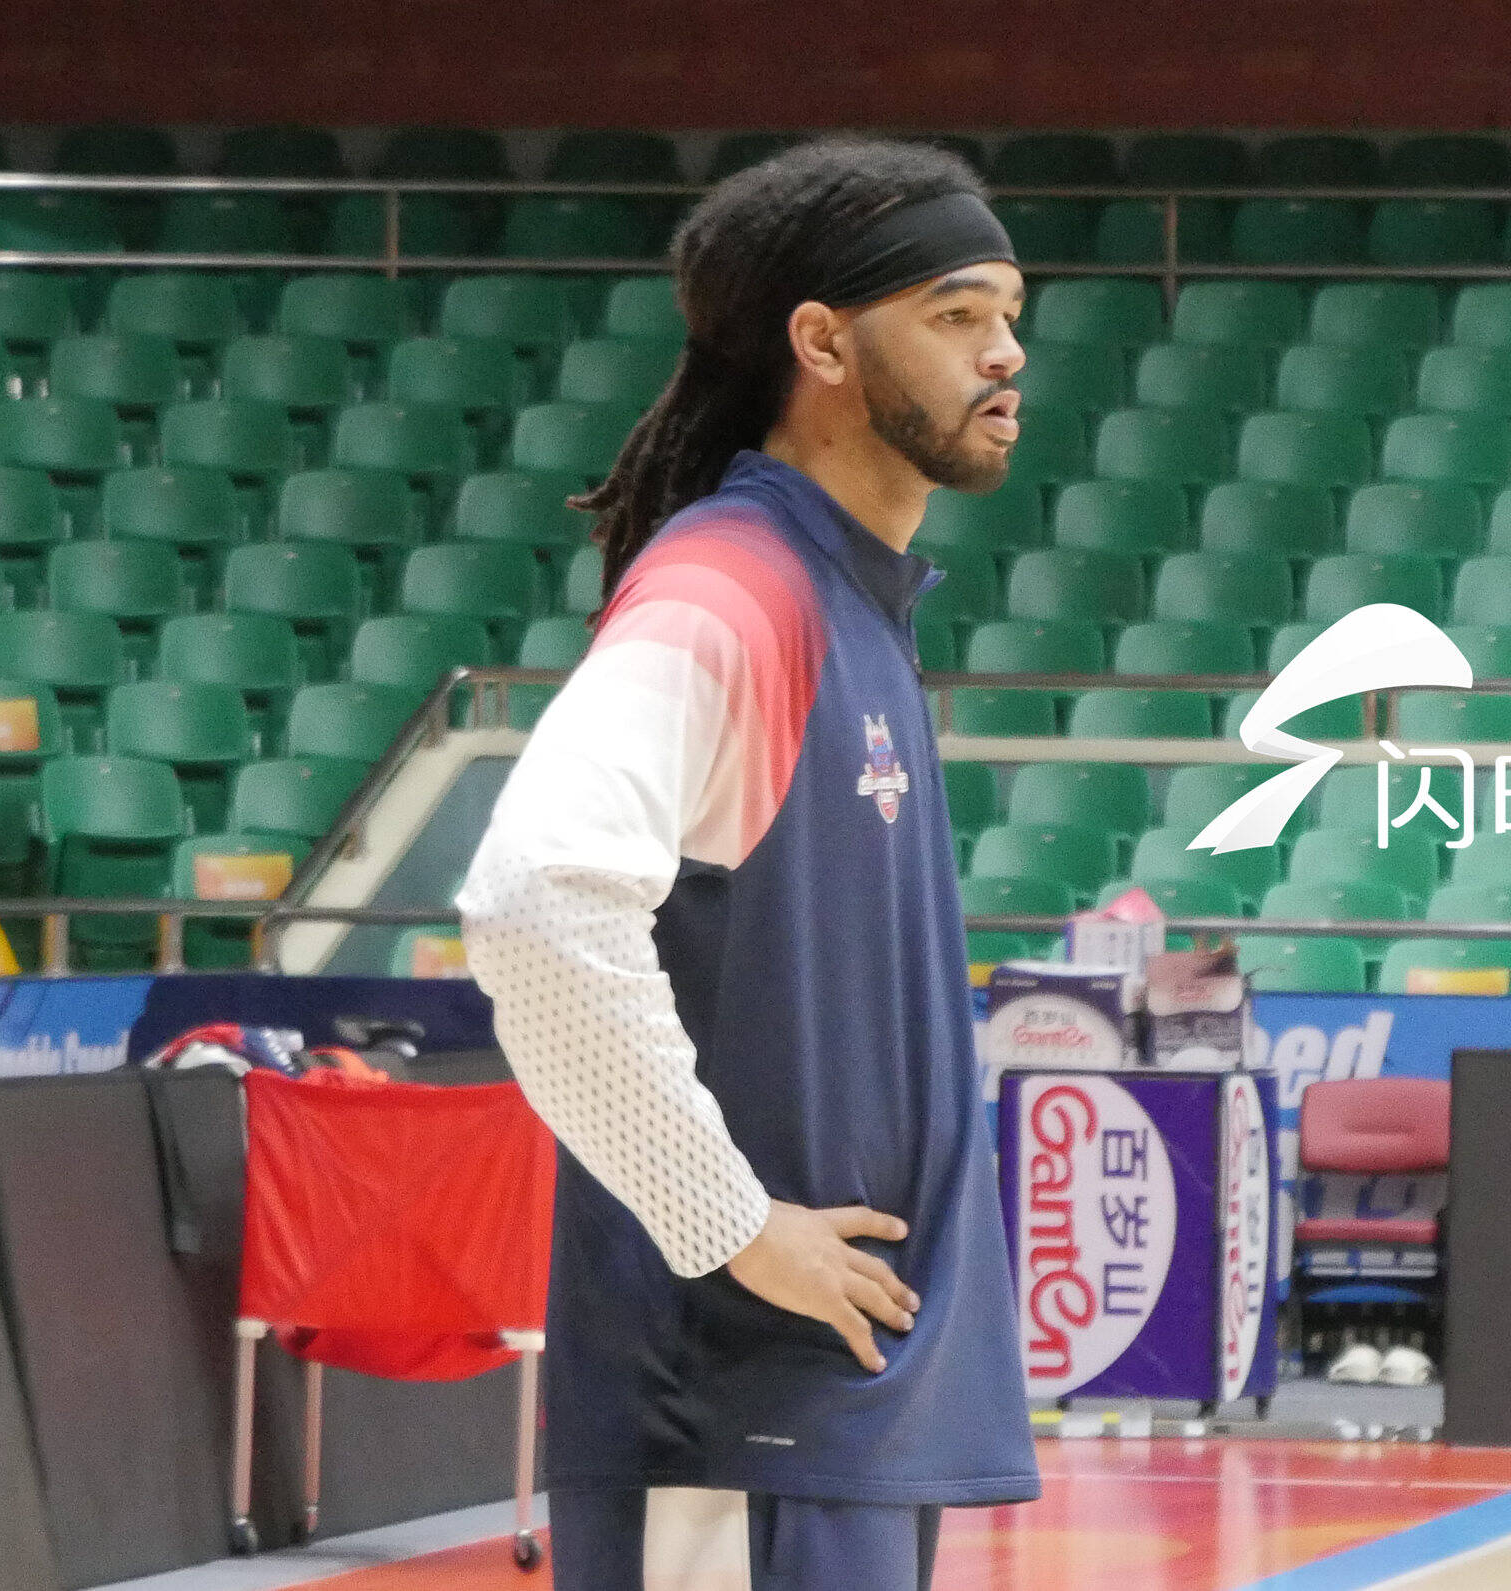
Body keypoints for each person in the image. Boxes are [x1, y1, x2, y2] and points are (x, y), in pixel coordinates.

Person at [456, 139, 1038, 1591]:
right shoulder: (735, 583)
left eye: (1008, 313)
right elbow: (533, 897)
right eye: (956, 314)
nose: (1006, 351)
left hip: (831, 1415)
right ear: (822, 342)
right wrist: (724, 1218)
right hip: (731, 1416)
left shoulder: (851, 601)